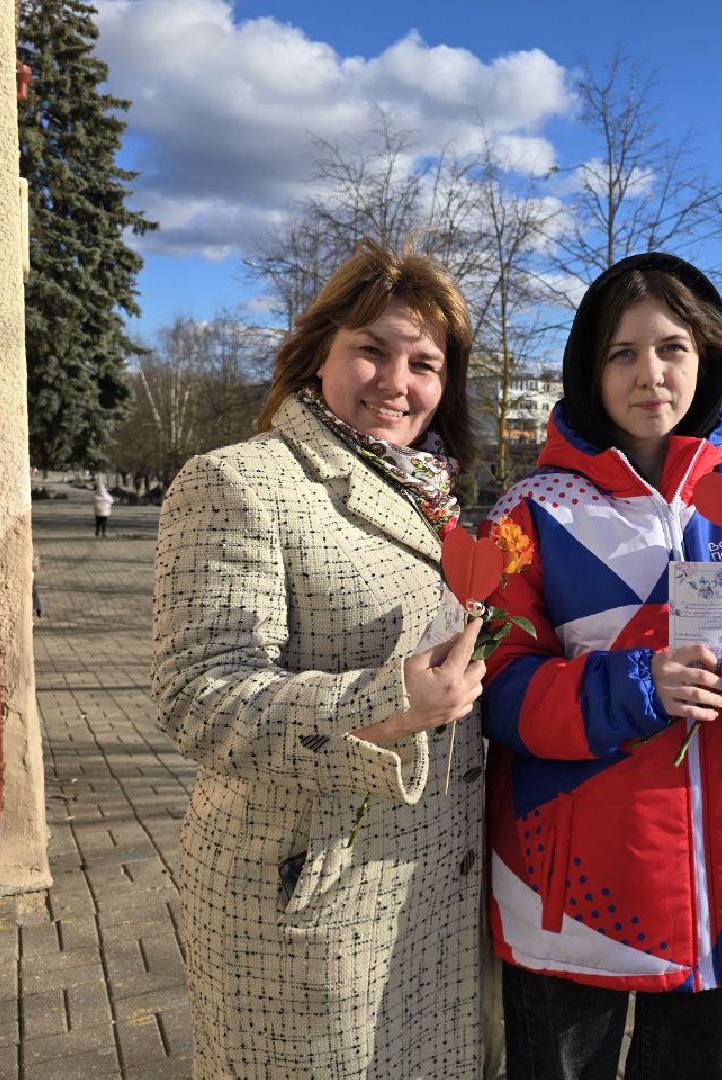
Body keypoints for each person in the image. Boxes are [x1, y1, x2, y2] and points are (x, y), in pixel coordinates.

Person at [479, 253, 722, 1080]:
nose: (651, 374)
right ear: (588, 368)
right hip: (572, 895)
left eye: (673, 347)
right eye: (623, 353)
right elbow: (497, 692)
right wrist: (634, 686)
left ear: (705, 358)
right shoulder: (530, 515)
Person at [151, 240, 489, 1078]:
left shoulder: (437, 496)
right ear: (318, 355)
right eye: (371, 349)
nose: (396, 381)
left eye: (425, 362)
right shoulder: (240, 482)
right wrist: (389, 703)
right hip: (308, 899)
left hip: (430, 891)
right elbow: (200, 696)